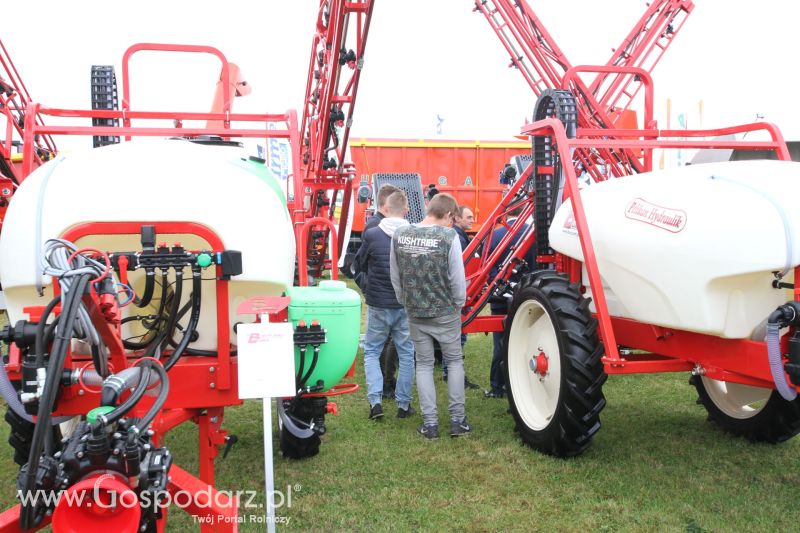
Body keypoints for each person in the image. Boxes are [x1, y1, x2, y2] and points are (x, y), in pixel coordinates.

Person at [391, 193, 471, 439]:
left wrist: (404, 301)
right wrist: (459, 303)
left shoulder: (400, 234)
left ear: (429, 208)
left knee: (424, 365)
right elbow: (457, 277)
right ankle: (458, 421)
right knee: (454, 362)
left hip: (415, 310)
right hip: (446, 310)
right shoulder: (449, 236)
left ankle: (431, 424)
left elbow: (396, 275)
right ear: (448, 215)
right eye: (452, 219)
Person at [355, 190, 416, 420]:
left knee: (372, 351)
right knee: (406, 353)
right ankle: (403, 405)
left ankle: (376, 403)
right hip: (405, 305)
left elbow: (359, 264)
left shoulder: (371, 235)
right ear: (405, 210)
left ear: (386, 209)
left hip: (378, 303)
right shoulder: (414, 236)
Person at [354, 182, 402, 399]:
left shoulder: (376, 225)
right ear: (388, 204)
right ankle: (386, 383)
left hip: (382, 293)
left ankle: (385, 383)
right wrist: (368, 286)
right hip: (384, 294)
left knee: (386, 342)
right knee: (384, 343)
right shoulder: (375, 227)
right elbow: (361, 263)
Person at [485, 206, 535, 398]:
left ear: (507, 214)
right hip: (528, 298)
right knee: (527, 342)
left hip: (499, 298)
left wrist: (497, 287)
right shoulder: (533, 234)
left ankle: (498, 387)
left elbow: (487, 268)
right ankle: (523, 386)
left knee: (500, 344)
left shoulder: (495, 236)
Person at [442, 204, 480, 390]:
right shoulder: (458, 238)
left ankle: (448, 371)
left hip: (456, 292)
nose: (472, 219)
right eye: (469, 216)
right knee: (458, 336)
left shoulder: (458, 236)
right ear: (456, 218)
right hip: (459, 293)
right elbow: (460, 269)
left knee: (454, 335)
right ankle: (452, 374)